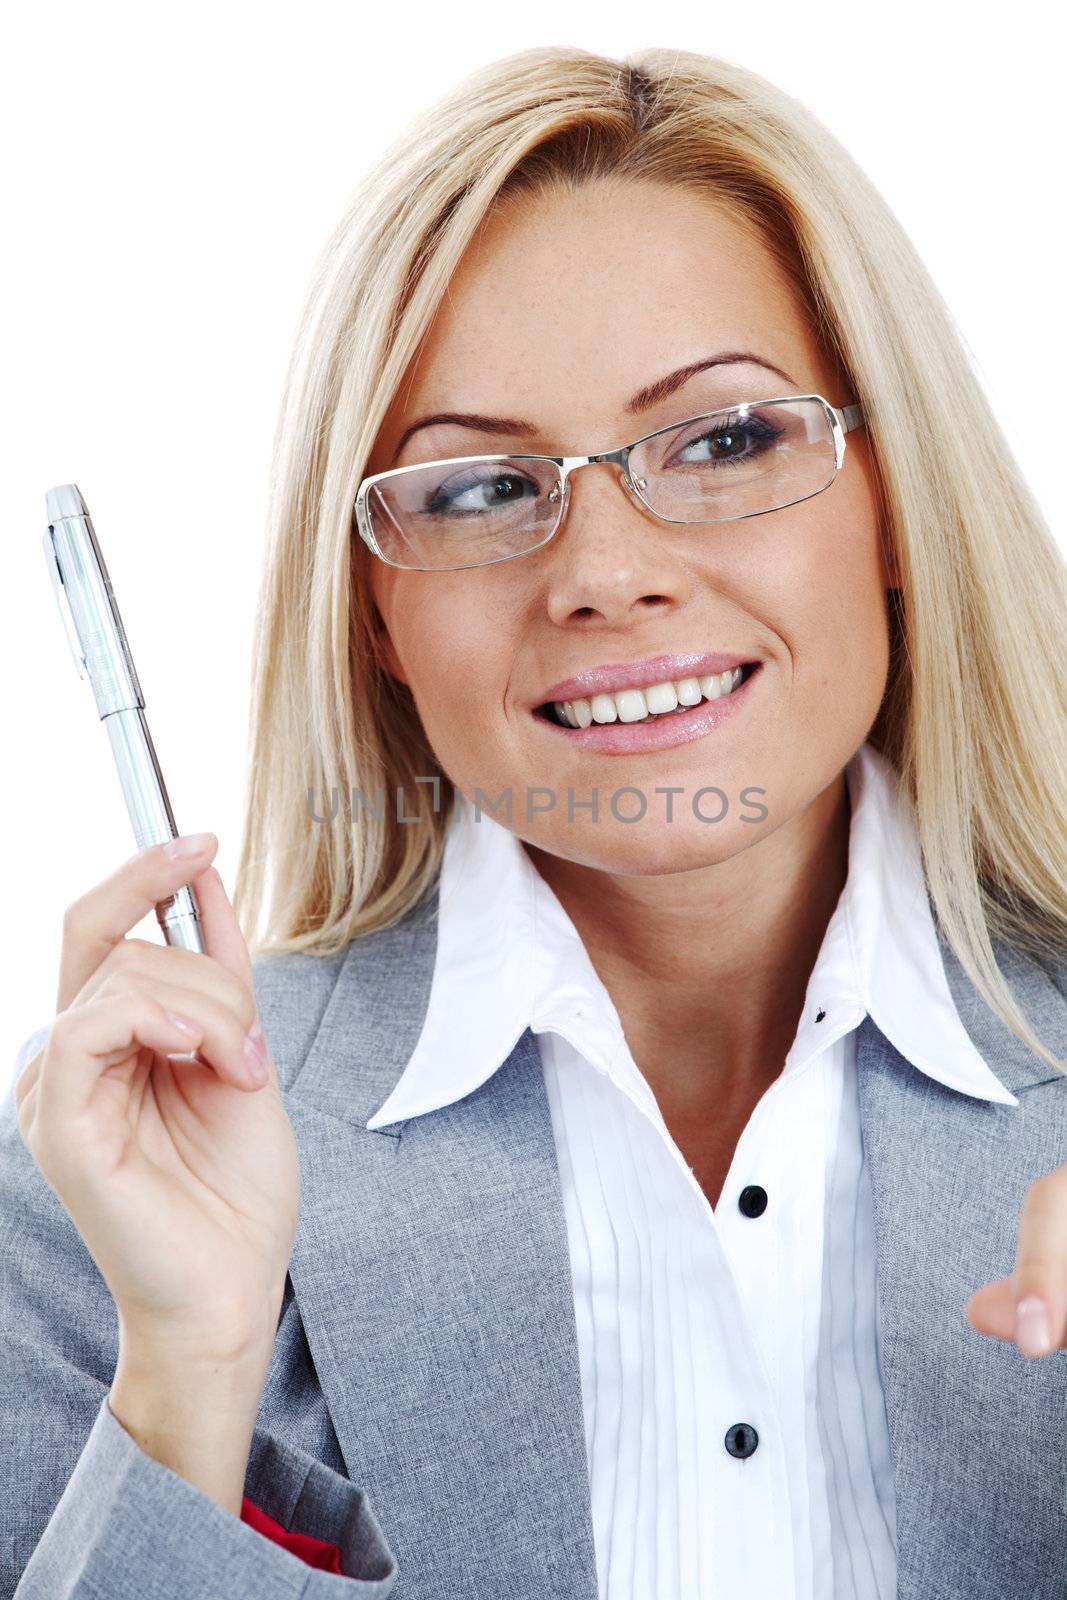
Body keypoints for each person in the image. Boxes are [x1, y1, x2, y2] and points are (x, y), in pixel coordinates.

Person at [3, 43, 1066, 1600]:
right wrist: (187, 1375)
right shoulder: (92, 1199)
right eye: (483, 489)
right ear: (373, 611)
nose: (604, 571)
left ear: (895, 497)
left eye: (724, 441)